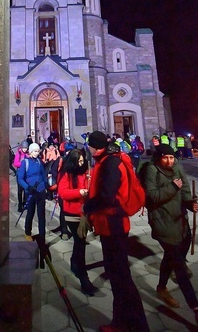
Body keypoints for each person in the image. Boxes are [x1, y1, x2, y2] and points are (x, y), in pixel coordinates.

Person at [83, 130, 150, 332]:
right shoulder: (107, 159)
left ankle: (137, 325)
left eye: (89, 145)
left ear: (94, 146)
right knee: (116, 275)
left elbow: (108, 195)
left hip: (114, 225)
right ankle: (121, 322)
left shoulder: (111, 163)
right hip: (108, 224)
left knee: (121, 277)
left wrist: (88, 207)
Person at [142, 144, 198, 331]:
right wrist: (172, 186)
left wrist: (190, 203)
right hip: (162, 221)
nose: (170, 161)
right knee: (179, 266)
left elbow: (185, 190)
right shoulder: (152, 170)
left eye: (172, 158)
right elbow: (152, 196)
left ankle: (161, 288)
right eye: (166, 158)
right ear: (159, 158)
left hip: (181, 222)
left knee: (171, 257)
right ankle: (197, 310)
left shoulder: (177, 168)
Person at [58, 147, 98, 296]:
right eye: (79, 162)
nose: (81, 164)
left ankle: (75, 263)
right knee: (81, 243)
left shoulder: (87, 171)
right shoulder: (66, 174)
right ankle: (83, 277)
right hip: (72, 214)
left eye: (83, 161)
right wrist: (79, 192)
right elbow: (63, 193)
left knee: (79, 241)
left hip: (84, 213)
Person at [17, 142, 47, 241]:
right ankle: (28, 232)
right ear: (30, 151)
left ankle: (42, 235)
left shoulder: (39, 161)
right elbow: (20, 178)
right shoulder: (25, 162)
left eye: (38, 151)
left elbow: (43, 174)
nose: (36, 153)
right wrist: (28, 187)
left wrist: (46, 184)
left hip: (40, 190)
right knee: (30, 212)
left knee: (41, 214)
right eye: (35, 151)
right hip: (30, 192)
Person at [14, 140, 29, 212]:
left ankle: (25, 203)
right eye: (24, 148)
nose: (25, 149)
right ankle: (20, 205)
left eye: (26, 148)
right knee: (20, 190)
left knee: (26, 189)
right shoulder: (18, 154)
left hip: (26, 174)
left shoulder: (27, 154)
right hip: (20, 173)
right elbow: (15, 163)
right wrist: (23, 164)